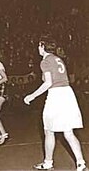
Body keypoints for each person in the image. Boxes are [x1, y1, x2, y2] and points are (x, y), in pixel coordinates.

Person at [24, 37, 87, 171]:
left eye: (39, 46)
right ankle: (81, 163)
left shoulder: (45, 61)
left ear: (42, 46)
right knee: (68, 132)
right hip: (68, 94)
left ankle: (48, 163)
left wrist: (32, 96)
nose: (38, 48)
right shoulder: (58, 59)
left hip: (56, 95)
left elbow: (48, 82)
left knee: (48, 130)